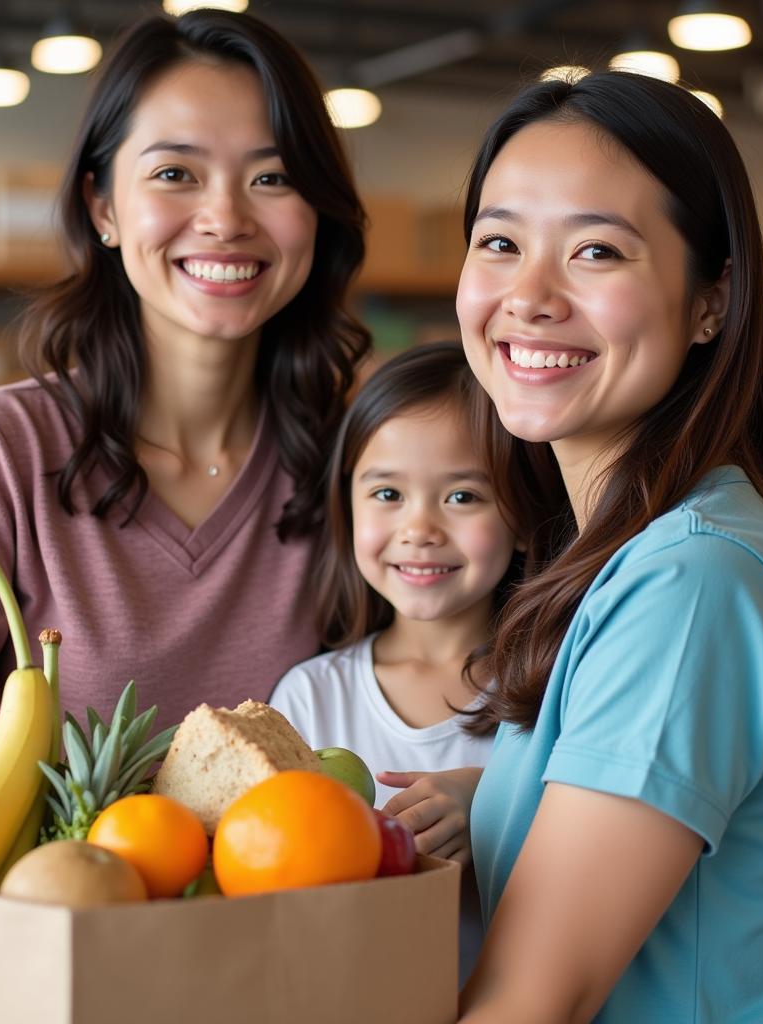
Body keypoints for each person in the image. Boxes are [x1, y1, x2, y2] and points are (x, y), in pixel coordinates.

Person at [0, 9, 370, 1020]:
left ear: (319, 213)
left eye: (272, 175)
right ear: (102, 205)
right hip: (38, 978)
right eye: (174, 173)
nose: (225, 219)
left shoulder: (366, 466)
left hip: (297, 978)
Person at [454, 69, 763, 1021]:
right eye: (499, 242)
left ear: (713, 300)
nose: (530, 296)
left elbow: (532, 1003)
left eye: (596, 251)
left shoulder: (693, 581)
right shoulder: (632, 555)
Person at [270, 340, 527, 985]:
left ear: (523, 514)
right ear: (347, 508)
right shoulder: (309, 697)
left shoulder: (549, 693)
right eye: (387, 492)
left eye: (463, 497)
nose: (420, 528)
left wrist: (493, 808)